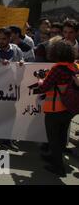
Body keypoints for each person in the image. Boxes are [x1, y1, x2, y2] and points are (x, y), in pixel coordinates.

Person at [36, 40, 78, 177]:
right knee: (61, 137)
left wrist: (40, 79)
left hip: (55, 109)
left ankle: (58, 168)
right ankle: (55, 158)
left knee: (53, 138)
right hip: (70, 109)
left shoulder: (57, 68)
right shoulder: (74, 67)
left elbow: (43, 88)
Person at [0, 28, 24, 150]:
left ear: (9, 39)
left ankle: (8, 139)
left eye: (4, 39)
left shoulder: (16, 49)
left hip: (11, 88)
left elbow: (22, 60)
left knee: (10, 114)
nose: (1, 41)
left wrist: (21, 63)